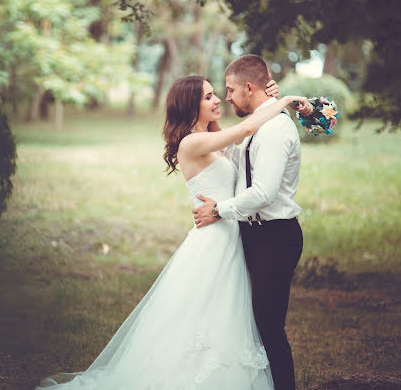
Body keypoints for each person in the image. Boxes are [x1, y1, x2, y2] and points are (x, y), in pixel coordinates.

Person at [36, 75, 309, 390]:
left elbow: (245, 134)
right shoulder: (191, 142)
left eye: (216, 94)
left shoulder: (211, 135)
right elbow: (246, 129)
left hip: (230, 234)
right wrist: (285, 101)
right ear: (190, 105)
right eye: (208, 97)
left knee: (226, 315)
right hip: (213, 239)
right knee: (205, 314)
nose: (218, 100)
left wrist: (266, 98)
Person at [192, 54, 310, 390]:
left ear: (248, 87)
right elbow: (233, 150)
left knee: (269, 326)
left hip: (274, 237)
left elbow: (263, 193)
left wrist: (218, 210)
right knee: (254, 323)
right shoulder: (258, 122)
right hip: (255, 234)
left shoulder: (273, 129)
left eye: (230, 90)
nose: (226, 97)